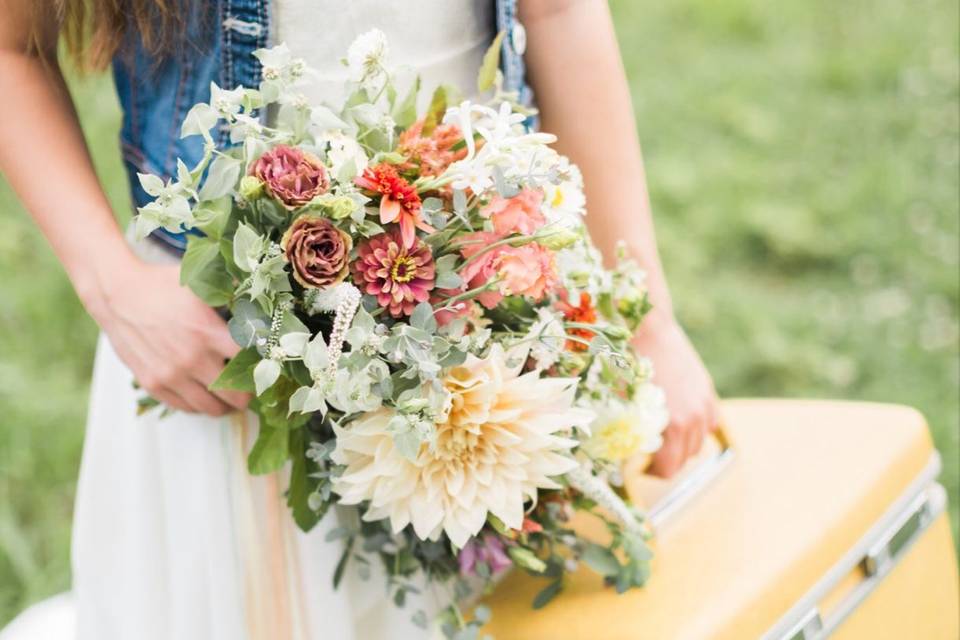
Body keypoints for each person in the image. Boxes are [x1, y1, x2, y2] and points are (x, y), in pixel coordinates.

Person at [0, 0, 719, 638]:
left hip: (474, 343)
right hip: (219, 359)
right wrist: (114, 288)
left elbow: (560, 12)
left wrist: (649, 322)